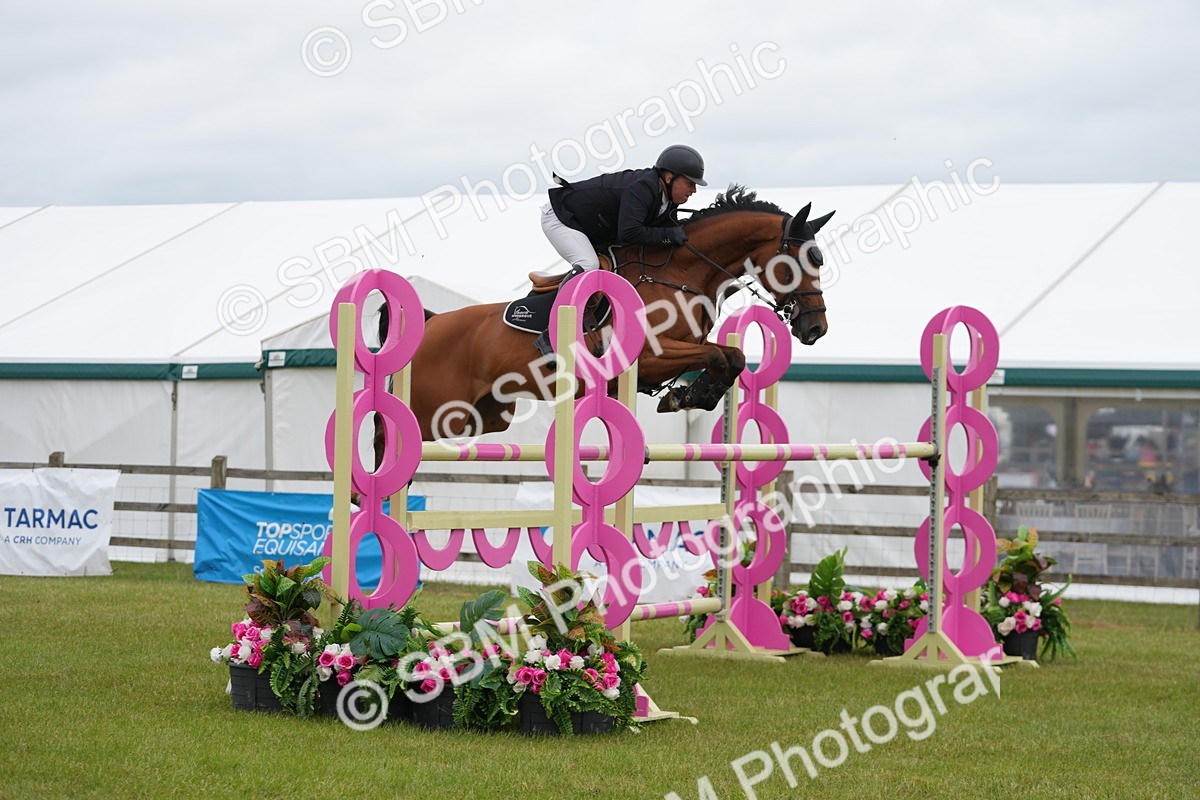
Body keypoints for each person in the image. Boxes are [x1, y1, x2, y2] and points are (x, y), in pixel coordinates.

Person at [532, 144, 707, 357]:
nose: (693, 190)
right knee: (588, 264)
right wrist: (669, 235)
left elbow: (666, 233)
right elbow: (630, 232)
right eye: (689, 183)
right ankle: (552, 333)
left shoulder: (667, 199)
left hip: (594, 227)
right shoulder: (642, 188)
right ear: (669, 177)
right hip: (561, 218)